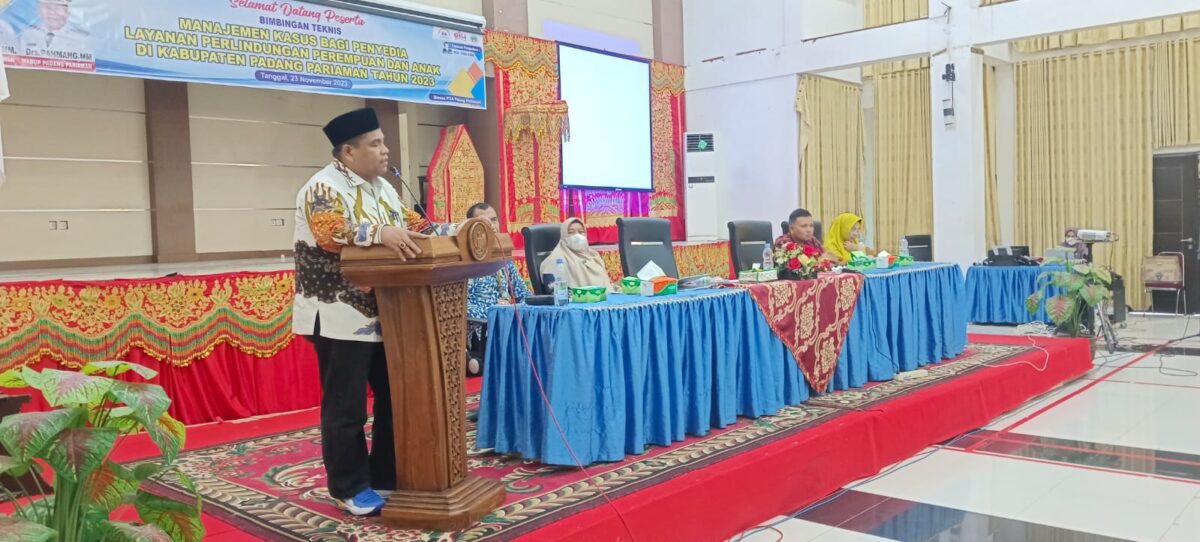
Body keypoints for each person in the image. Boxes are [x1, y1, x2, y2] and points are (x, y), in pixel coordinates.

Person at [293, 107, 428, 517]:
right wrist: (381, 232)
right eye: (376, 143)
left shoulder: (383, 189)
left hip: (388, 311)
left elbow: (416, 226)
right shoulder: (322, 187)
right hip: (338, 313)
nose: (386, 150)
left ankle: (385, 473)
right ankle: (348, 486)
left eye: (384, 142)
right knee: (347, 406)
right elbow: (329, 232)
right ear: (348, 152)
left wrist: (457, 232)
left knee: (393, 397)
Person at [464, 202, 530, 376]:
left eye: (493, 220)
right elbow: (460, 306)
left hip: (506, 322)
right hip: (480, 328)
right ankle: (473, 360)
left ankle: (477, 364)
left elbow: (523, 294)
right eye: (484, 221)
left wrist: (522, 308)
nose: (491, 225)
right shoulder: (463, 260)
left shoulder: (504, 257)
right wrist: (494, 311)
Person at [544, 218, 614, 291]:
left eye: (581, 232)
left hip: (606, 296)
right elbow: (555, 291)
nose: (577, 235)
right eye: (571, 232)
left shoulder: (593, 256)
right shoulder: (556, 259)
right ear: (564, 235)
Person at [17, 0, 90, 59]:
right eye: (47, 7)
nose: (52, 12)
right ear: (39, 10)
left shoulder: (80, 39)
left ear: (68, 12)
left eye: (57, 8)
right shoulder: (27, 34)